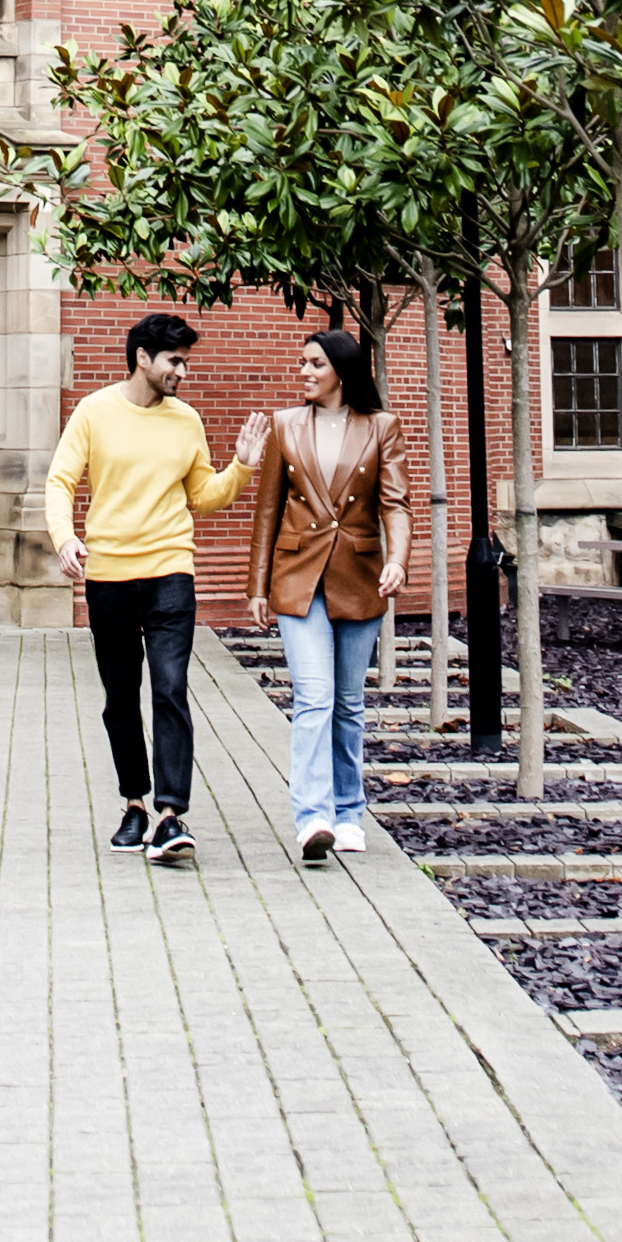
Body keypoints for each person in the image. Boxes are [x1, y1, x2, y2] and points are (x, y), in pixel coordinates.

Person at [47, 311, 245, 865]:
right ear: (143, 359)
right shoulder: (94, 411)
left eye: (185, 361)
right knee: (119, 698)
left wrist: (242, 468)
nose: (183, 371)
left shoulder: (187, 420)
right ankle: (133, 803)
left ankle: (170, 815)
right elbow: (61, 480)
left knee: (170, 687)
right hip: (108, 573)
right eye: (174, 361)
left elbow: (201, 494)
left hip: (170, 572)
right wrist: (64, 538)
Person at [237, 328, 411, 865]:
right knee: (314, 697)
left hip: (359, 577)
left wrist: (399, 560)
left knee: (348, 704)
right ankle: (312, 817)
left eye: (314, 363)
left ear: (341, 368)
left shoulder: (381, 426)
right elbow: (267, 510)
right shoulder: (287, 426)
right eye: (302, 363)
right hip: (298, 577)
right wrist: (256, 586)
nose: (304, 372)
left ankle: (348, 811)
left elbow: (396, 504)